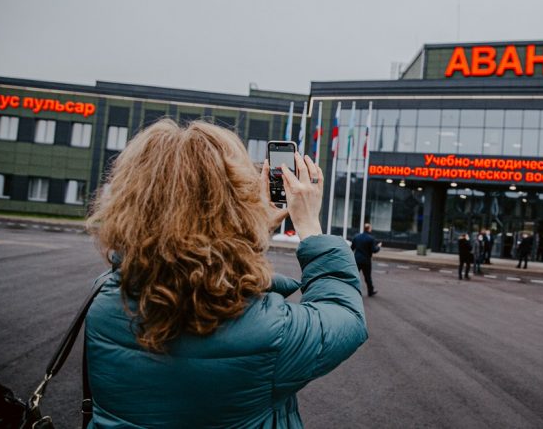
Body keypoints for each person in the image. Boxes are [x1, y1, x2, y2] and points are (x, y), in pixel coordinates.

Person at [85, 120, 368, 428]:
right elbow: (345, 315)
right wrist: (309, 226)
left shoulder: (103, 305)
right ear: (235, 204)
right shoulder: (269, 332)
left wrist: (254, 230)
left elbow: (187, 267)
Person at [352, 223, 382, 297]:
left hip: (357, 260)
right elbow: (374, 250)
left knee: (354, 276)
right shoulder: (371, 238)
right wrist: (378, 246)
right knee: (367, 277)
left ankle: (351, 290)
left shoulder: (356, 236)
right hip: (366, 261)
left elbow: (352, 248)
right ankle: (370, 291)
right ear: (369, 229)